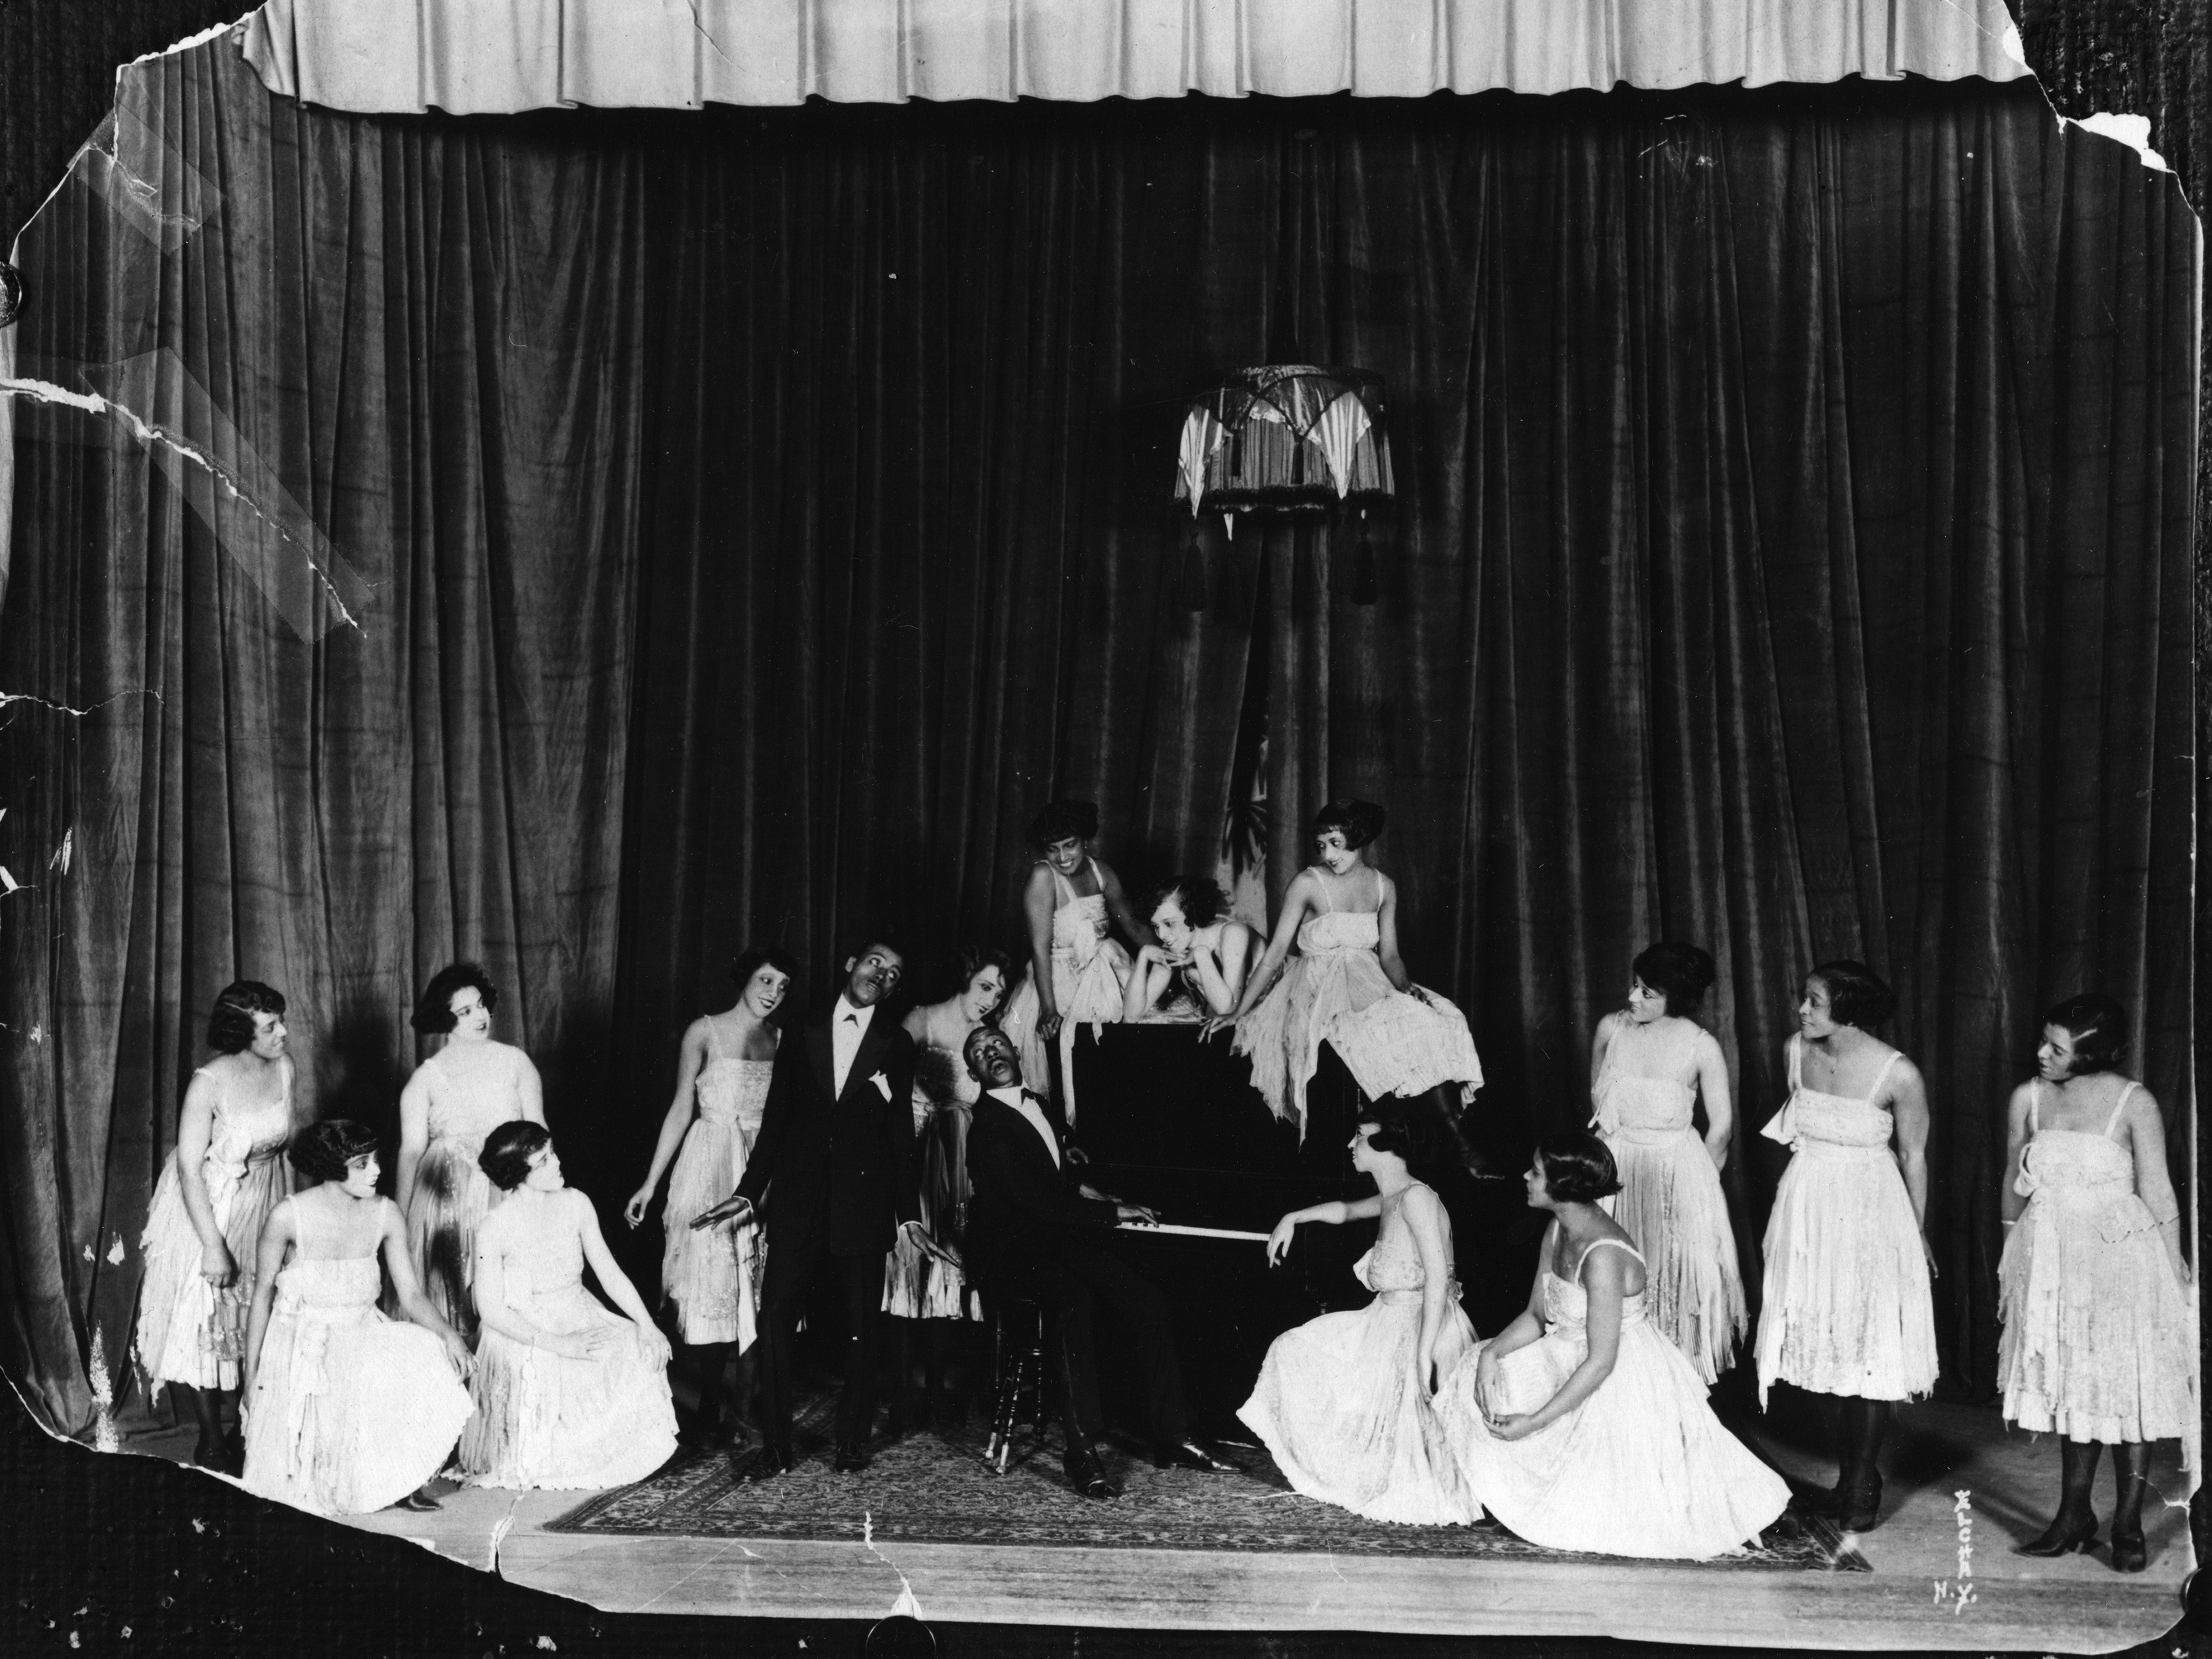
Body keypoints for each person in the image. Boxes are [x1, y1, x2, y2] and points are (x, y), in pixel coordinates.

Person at [1436, 1132, 1791, 1559]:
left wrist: (1534, 1421)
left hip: (1616, 1374)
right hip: (1567, 1352)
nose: (1525, 1177)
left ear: (1563, 1187)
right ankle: (1510, 1491)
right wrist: (1491, 1356)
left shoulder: (1603, 1254)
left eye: (1536, 1172)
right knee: (1476, 1362)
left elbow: (1602, 1361)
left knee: (1606, 1507)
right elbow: (1535, 1316)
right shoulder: (1557, 1229)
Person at [687, 940, 928, 1476]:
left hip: (863, 1209)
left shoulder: (898, 1043)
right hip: (797, 1203)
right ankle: (775, 1447)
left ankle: (851, 1443)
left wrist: (908, 1214)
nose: (881, 976)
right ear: (850, 964)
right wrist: (749, 1192)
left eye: (893, 973)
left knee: (861, 1328)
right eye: (875, 963)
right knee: (773, 1323)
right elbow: (776, 1120)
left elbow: (899, 1137)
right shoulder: (801, 1029)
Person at [961, 1022, 1228, 1499]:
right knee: (1074, 1302)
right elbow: (1037, 1203)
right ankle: (1081, 1451)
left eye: (996, 1043)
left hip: (1057, 1238)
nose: (991, 1052)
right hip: (1014, 1253)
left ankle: (1174, 1434)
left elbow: (1056, 1175)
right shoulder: (986, 1127)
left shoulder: (1039, 1103)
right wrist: (1110, 1212)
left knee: (1146, 1299)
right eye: (979, 1052)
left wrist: (1095, 1190)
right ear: (973, 1071)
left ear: (1014, 1049)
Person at [1998, 994, 2197, 1572]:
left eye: (2056, 1049)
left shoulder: (2134, 1101)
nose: (2041, 1054)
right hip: (2052, 1260)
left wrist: (2173, 1265)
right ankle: (2073, 1515)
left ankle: (2129, 1519)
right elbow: (2013, 1180)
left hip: (2119, 1258)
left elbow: (2158, 1190)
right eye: (2044, 1040)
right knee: (2072, 1385)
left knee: (2125, 1390)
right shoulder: (2027, 1097)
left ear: (2089, 1057)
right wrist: (2010, 1251)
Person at [1753, 960, 1937, 1532]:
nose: (1801, 1011)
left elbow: (1913, 1157)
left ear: (1848, 1009)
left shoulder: (1898, 1073)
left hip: (1870, 1214)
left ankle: (1859, 1480)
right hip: (1807, 1211)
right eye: (1803, 999)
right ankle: (1853, 1472)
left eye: (1814, 1001)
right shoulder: (1794, 1051)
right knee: (1819, 1346)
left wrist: (1917, 1233)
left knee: (1866, 1350)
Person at [1238, 1097, 1477, 1525]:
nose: (1352, 1145)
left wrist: (1423, 1354)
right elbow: (1345, 1211)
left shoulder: (1417, 1198)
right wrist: (1293, 1217)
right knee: (1295, 1348)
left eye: (1362, 1139)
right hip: (1387, 1319)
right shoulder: (1393, 1197)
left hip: (1424, 1326)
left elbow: (1438, 1278)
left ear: (1390, 1148)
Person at [1204, 800, 1481, 1139]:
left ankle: (1453, 1135)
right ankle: (1408, 1137)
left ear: (1359, 839)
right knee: (1355, 1036)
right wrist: (1237, 1012)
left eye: (1336, 844)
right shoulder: (1307, 883)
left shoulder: (1384, 886)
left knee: (1437, 1020)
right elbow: (1275, 953)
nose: (1329, 854)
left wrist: (1407, 988)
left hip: (1367, 982)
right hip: (1314, 988)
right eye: (1321, 845)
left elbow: (1390, 954)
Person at [239, 1121, 474, 1515]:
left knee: (427, 1351)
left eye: (377, 1160)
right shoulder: (287, 1216)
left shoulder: (386, 1213)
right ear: (332, 1167)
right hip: (302, 1343)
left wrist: (450, 1336)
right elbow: (262, 1296)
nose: (377, 1171)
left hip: (362, 1332)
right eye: (363, 1164)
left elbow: (412, 1294)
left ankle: (403, 1478)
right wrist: (252, 1378)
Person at [623, 945, 796, 1450]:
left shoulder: (782, 1039)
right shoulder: (704, 1031)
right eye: (766, 981)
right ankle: (709, 1407)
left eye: (783, 987)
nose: (773, 994)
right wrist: (650, 1185)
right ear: (745, 979)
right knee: (716, 1285)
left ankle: (744, 1408)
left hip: (762, 1171)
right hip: (710, 1163)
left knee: (757, 1288)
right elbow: (681, 1109)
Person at [133, 981, 301, 1475]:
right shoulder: (210, 1080)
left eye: (280, 1021)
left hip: (269, 1200)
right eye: (270, 1027)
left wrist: (293, 1218)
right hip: (215, 1209)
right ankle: (211, 1443)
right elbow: (189, 1168)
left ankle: (247, 1429)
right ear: (240, 1032)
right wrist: (212, 1245)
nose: (284, 1033)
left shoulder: (285, 1068)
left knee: (267, 1312)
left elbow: (286, 1152)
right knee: (210, 1320)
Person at [459, 1122, 677, 1490]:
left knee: (633, 1345)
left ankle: (617, 1456)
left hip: (578, 1308)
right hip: (528, 1329)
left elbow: (608, 1271)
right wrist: (559, 1343)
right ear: (520, 1174)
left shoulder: (577, 1202)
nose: (558, 1163)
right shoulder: (495, 1225)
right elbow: (491, 1309)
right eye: (544, 1161)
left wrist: (647, 1324)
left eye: (553, 1152)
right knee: (560, 1365)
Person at [1586, 941, 1744, 1383]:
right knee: (1612, 1272)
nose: (1634, 998)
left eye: (1649, 993)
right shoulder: (1610, 1029)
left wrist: (1699, 1191)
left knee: (1670, 1274)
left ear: (1678, 997)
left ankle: (1673, 1385)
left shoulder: (1701, 1046)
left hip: (1677, 1172)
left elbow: (1722, 1128)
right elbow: (1599, 1101)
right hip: (1616, 1168)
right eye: (1635, 986)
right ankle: (1615, 1380)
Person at [882, 946, 1010, 1431]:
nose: (991, 1000)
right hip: (914, 1155)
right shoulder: (923, 1019)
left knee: (948, 1275)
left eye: (998, 992)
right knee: (904, 1272)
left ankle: (936, 1392)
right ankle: (900, 1394)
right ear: (966, 977)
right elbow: (886, 1085)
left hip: (960, 1164)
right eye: (984, 986)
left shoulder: (988, 1037)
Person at [395, 962, 545, 1340]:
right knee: (452, 1306)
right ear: (446, 1019)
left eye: (481, 1005)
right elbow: (411, 1153)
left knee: (506, 1304)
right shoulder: (425, 1079)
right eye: (465, 1012)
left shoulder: (516, 1062)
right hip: (445, 1206)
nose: (480, 1016)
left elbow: (540, 1136)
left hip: (507, 1194)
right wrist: (395, 1227)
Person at [997, 800, 1148, 1119]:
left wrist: (1171, 957)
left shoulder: (1101, 870)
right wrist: (1049, 1009)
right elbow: (1039, 948)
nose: (1063, 857)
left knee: (1114, 1055)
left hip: (1104, 971)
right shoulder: (1043, 876)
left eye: (1070, 846)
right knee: (1073, 1062)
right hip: (1058, 978)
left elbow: (1132, 925)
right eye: (1053, 849)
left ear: (1085, 841)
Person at [1123, 875, 1264, 1022]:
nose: (1162, 935)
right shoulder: (1175, 946)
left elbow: (1227, 1009)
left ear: (1192, 914)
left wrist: (1200, 954)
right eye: (1156, 926)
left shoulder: (1233, 933)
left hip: (1275, 1007)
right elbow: (1132, 1015)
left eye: (1169, 924)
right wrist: (1144, 955)